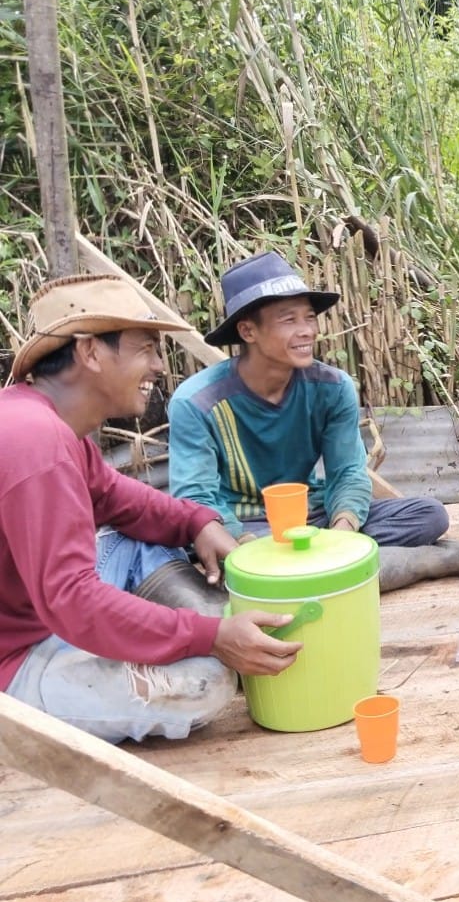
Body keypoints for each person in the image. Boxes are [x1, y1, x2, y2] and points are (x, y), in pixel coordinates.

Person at [1, 275, 300, 742]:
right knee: (205, 682)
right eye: (145, 348)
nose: (159, 366)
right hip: (13, 661)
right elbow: (72, 599)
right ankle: (221, 635)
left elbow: (117, 499)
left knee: (141, 536)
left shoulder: (48, 425)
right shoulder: (36, 440)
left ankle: (215, 631)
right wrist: (208, 637)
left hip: (42, 610)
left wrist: (197, 522)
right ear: (90, 352)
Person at [168, 252, 459, 590]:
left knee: (429, 515)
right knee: (214, 549)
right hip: (246, 528)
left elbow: (347, 472)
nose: (307, 331)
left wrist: (341, 534)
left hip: (312, 521)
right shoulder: (197, 402)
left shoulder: (332, 388)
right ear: (248, 330)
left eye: (309, 318)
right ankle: (413, 563)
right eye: (289, 320)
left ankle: (311, 571)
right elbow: (196, 498)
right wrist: (245, 549)